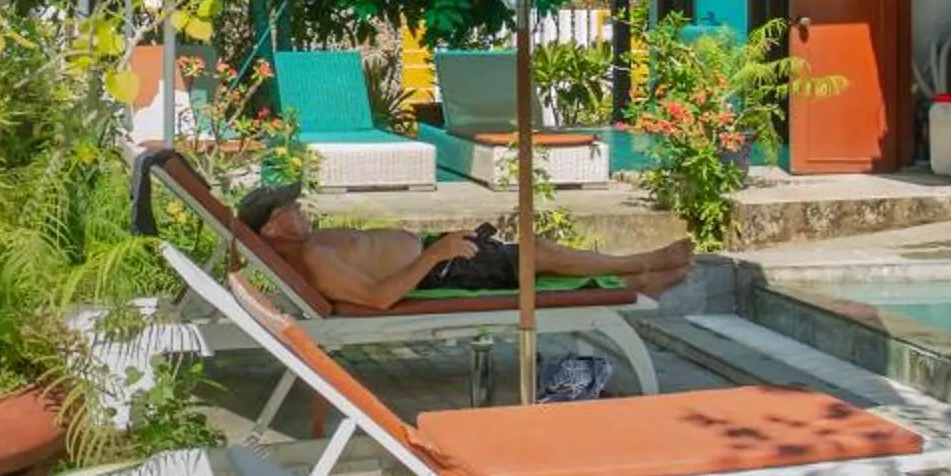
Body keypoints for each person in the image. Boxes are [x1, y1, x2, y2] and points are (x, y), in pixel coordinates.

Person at [234, 185, 692, 312]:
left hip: (435, 259)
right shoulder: (313, 259)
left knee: (531, 261)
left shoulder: (308, 247)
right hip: (436, 271)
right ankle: (645, 264)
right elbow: (378, 298)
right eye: (290, 208)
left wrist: (437, 248)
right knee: (537, 254)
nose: (300, 209)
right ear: (273, 230)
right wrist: (437, 255)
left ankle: (637, 282)